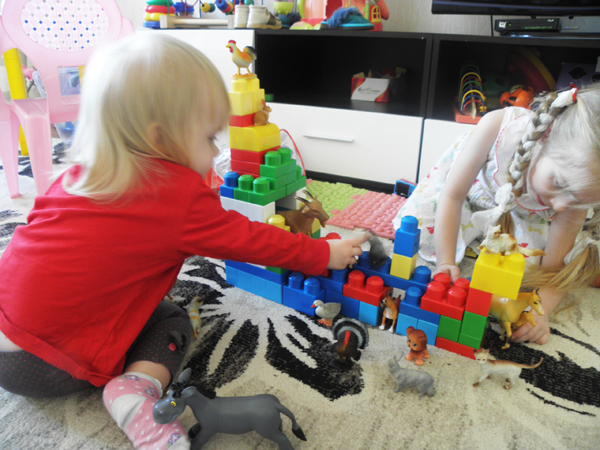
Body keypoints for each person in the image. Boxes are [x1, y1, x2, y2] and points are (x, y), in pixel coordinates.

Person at [0, 34, 366, 450]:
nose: (215, 151)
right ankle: (133, 395)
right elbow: (251, 240)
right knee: (171, 320)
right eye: (209, 138)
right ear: (160, 140)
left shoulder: (76, 175)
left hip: (6, 337)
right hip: (50, 365)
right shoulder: (175, 197)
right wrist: (324, 252)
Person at [394, 83, 600, 348]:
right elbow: (452, 196)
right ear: (546, 135)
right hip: (471, 196)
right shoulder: (498, 125)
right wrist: (445, 262)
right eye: (559, 184)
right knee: (418, 225)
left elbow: (553, 270)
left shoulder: (572, 192)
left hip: (526, 217)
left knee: (524, 273)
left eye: (578, 201)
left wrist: (541, 310)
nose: (560, 207)